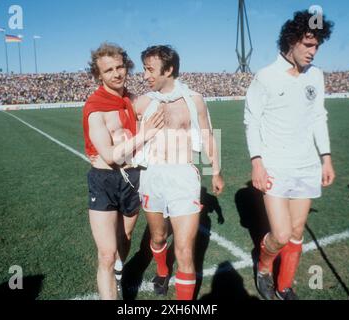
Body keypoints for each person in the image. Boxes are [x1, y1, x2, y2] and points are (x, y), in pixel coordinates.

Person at [244, 10, 335, 300]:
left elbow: (319, 116)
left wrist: (326, 157)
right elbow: (252, 120)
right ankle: (265, 267)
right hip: (275, 166)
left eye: (317, 45)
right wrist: (256, 162)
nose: (313, 51)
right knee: (280, 235)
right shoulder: (266, 77)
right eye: (308, 44)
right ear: (291, 40)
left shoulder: (316, 76)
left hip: (306, 166)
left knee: (296, 233)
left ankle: (284, 285)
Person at [133, 45, 225, 300]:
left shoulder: (193, 99)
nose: (145, 75)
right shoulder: (143, 102)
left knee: (185, 251)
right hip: (152, 175)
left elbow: (208, 136)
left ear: (169, 69)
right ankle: (162, 270)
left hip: (183, 176)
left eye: (150, 69)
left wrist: (215, 171)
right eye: (144, 69)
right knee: (159, 237)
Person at [83, 43, 164, 300]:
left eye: (120, 67)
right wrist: (144, 134)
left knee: (126, 236)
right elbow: (109, 155)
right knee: (106, 253)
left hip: (132, 178)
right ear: (99, 75)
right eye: (108, 70)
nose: (117, 73)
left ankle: (120, 269)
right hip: (104, 180)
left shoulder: (130, 100)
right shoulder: (95, 108)